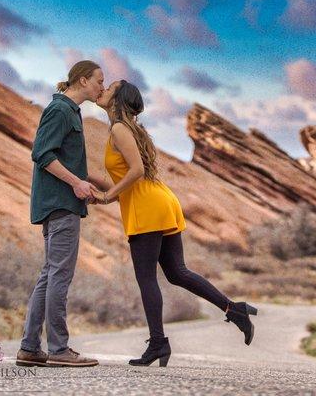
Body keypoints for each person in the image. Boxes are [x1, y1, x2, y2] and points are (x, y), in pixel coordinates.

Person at [93, 79, 258, 368]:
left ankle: (158, 343)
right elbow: (133, 175)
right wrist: (112, 196)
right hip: (158, 201)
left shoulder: (120, 128)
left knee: (147, 278)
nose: (103, 89)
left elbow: (136, 170)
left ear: (117, 99)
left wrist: (108, 196)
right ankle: (235, 310)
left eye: (110, 87)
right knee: (177, 272)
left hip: (148, 207)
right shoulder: (127, 129)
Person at [16, 60, 105, 368]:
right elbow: (41, 153)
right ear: (82, 81)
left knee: (49, 274)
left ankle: (30, 347)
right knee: (59, 275)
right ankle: (59, 349)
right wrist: (76, 183)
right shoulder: (60, 111)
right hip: (60, 204)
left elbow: (58, 157)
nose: (101, 88)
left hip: (59, 203)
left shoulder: (69, 112)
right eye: (98, 81)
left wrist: (84, 184)